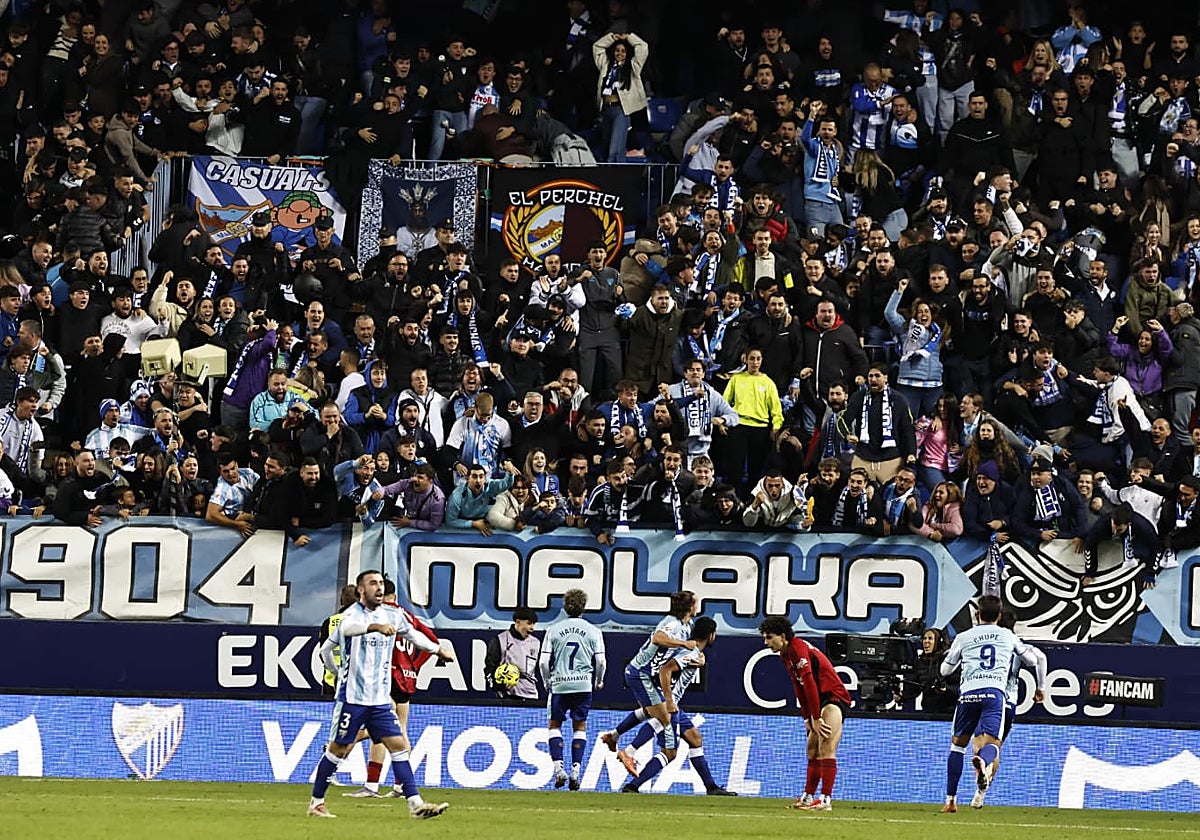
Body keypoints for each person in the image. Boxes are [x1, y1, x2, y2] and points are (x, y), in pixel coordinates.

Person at [306, 569, 453, 819]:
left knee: (398, 745)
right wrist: (340, 668)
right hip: (352, 699)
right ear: (361, 590)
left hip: (380, 701)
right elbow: (343, 635)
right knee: (338, 750)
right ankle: (316, 802)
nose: (379, 587)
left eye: (381, 583)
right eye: (373, 583)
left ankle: (415, 804)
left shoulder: (393, 614)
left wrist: (437, 650)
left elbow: (413, 635)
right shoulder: (351, 614)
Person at [938, 594, 1043, 814]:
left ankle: (950, 801)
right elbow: (1033, 661)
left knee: (957, 746)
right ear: (998, 615)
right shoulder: (1007, 636)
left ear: (977, 614)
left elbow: (945, 671)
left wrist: (958, 658)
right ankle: (983, 763)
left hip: (968, 694)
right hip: (995, 693)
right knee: (993, 744)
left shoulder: (964, 636)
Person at [617, 615, 736, 797]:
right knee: (669, 752)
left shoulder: (693, 651)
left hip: (671, 701)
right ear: (712, 635)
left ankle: (711, 787)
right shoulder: (691, 652)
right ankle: (633, 784)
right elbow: (666, 669)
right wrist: (669, 700)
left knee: (695, 739)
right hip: (670, 703)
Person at [345, 578, 441, 799]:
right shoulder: (406, 615)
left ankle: (371, 785)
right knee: (401, 729)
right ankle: (400, 786)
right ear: (395, 596)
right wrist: (414, 666)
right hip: (406, 679)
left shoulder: (381, 616)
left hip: (387, 677)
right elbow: (432, 640)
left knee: (380, 730)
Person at [759, 616, 852, 812]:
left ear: (782, 636)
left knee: (826, 746)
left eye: (769, 638)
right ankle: (808, 797)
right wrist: (806, 718)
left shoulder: (798, 649)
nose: (766, 643)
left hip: (833, 698)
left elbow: (809, 683)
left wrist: (816, 717)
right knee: (812, 749)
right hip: (819, 703)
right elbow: (798, 687)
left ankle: (825, 800)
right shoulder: (786, 654)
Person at [599, 591, 698, 760]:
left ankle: (613, 736)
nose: (698, 606)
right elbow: (658, 638)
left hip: (646, 674)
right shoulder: (672, 623)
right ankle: (629, 753)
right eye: (696, 603)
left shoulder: (688, 625)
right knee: (665, 716)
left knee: (648, 711)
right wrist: (683, 644)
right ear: (689, 607)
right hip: (640, 673)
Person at [538, 588, 607, 790]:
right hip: (583, 684)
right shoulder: (594, 631)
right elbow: (601, 661)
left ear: (565, 606)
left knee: (554, 726)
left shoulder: (554, 629)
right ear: (584, 607)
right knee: (580, 726)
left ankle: (559, 770)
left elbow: (543, 662)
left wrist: (546, 681)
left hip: (560, 684)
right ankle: (576, 771)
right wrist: (598, 680)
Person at [484, 606, 540, 703]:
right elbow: (489, 668)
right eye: (529, 623)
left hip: (531, 696)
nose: (532, 628)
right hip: (508, 697)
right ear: (518, 622)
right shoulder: (500, 640)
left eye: (534, 624)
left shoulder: (536, 643)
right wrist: (498, 686)